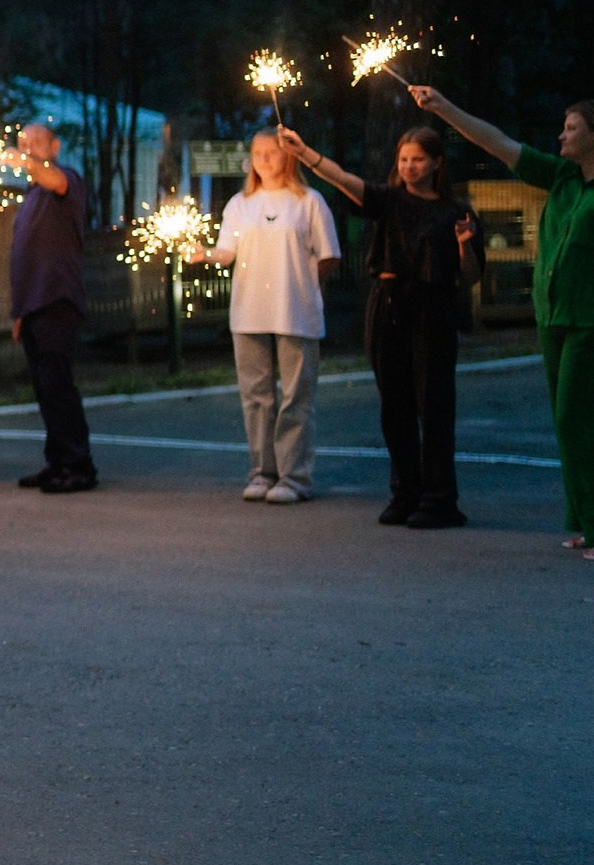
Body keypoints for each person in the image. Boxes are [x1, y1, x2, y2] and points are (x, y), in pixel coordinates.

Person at [401, 87, 594, 552]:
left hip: (589, 319)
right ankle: (586, 520)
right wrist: (444, 107)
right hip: (553, 315)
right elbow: (498, 143)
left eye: (572, 128)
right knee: (567, 420)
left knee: (576, 415)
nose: (561, 135)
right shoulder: (563, 177)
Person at [286, 125, 480, 528]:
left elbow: (472, 276)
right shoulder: (389, 201)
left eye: (419, 159)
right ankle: (405, 493)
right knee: (395, 403)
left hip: (432, 306)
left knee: (434, 403)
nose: (409, 166)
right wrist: (305, 153)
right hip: (389, 302)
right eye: (404, 159)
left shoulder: (454, 210)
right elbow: (344, 180)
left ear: (437, 163)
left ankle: (439, 498)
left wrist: (463, 243)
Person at [188, 130, 339, 505]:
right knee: (256, 396)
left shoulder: (309, 202)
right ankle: (262, 472)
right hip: (249, 309)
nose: (264, 160)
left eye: (272, 152)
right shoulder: (241, 204)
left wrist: (303, 285)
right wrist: (203, 254)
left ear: (289, 156)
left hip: (295, 310)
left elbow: (328, 254)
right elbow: (227, 251)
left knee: (295, 396)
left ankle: (294, 476)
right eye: (258, 153)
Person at [3, 124, 97, 494]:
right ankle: (57, 461)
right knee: (44, 388)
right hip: (33, 305)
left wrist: (23, 159)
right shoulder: (29, 196)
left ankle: (79, 465)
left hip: (57, 299)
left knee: (59, 385)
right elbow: (25, 259)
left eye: (35, 144)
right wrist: (19, 313)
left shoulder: (66, 181)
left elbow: (54, 180)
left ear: (54, 147)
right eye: (21, 144)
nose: (26, 151)